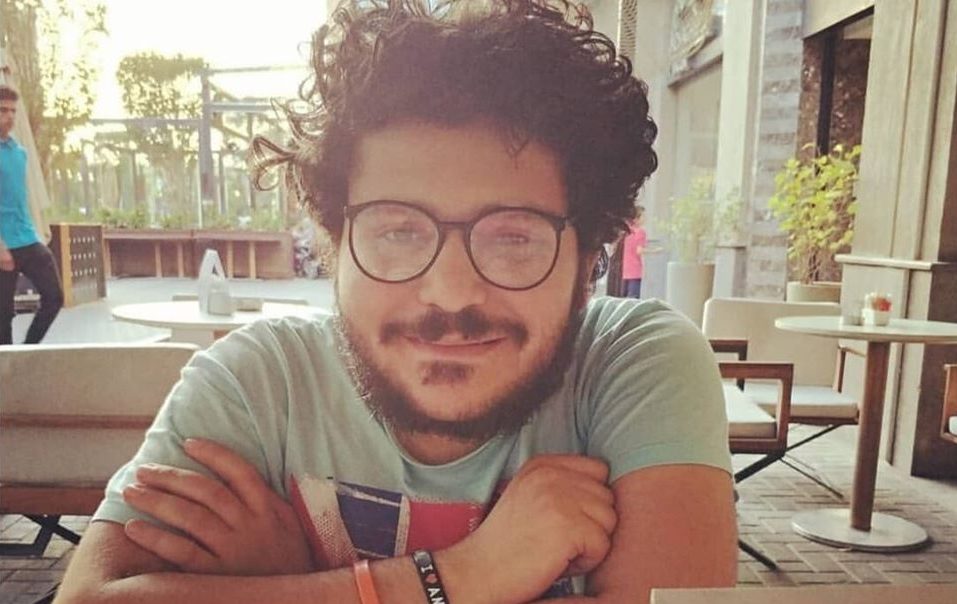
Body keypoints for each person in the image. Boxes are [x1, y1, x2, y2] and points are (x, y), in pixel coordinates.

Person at [57, 1, 736, 603]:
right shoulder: (256, 386)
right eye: (397, 231)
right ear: (334, 244)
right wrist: (463, 577)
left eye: (513, 238)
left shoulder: (634, 366)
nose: (450, 291)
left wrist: (288, 583)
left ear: (588, 260)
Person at [0, 84, 63, 346]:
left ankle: (27, 353)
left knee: (54, 297)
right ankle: (6, 365)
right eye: (3, 110)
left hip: (27, 238)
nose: (9, 116)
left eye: (13, 111)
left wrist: (34, 231)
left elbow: (19, 198)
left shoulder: (20, 153)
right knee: (3, 315)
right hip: (3, 244)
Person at [620, 205, 649, 299]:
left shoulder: (626, 232)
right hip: (635, 271)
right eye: (643, 216)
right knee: (633, 299)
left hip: (625, 271)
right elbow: (639, 251)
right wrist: (655, 251)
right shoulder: (641, 232)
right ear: (636, 219)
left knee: (624, 300)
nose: (645, 218)